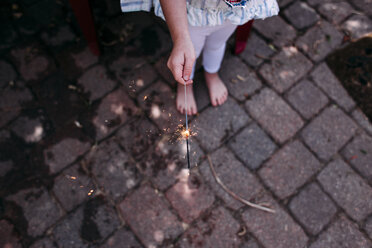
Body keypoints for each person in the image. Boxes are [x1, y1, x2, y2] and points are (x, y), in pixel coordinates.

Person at [120, 0, 279, 115]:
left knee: (217, 44)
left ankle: (212, 73)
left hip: (233, 14)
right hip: (194, 14)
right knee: (190, 53)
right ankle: (185, 85)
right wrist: (181, 38)